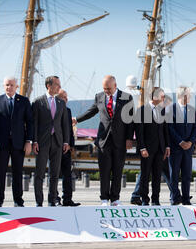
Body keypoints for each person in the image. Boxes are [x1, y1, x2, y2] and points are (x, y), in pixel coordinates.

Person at [74, 75, 134, 206]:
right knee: (104, 171)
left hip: (120, 140)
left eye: (108, 88)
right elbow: (91, 112)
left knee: (117, 171)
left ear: (115, 86)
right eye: (104, 88)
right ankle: (104, 199)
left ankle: (115, 199)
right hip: (103, 140)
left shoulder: (126, 97)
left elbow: (130, 120)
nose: (106, 91)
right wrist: (77, 119)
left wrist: (129, 139)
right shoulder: (99, 96)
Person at [0, 77, 33, 207]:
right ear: (4, 86)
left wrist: (29, 141)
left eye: (12, 85)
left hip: (19, 144)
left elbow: (30, 122)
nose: (9, 87)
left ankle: (18, 201)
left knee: (18, 172)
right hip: (0, 144)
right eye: (7, 85)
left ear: (16, 86)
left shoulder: (24, 101)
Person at [32, 76, 70, 207]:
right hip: (42, 142)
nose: (59, 87)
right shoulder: (37, 102)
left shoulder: (61, 103)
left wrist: (66, 142)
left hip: (58, 142)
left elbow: (65, 124)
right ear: (49, 85)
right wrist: (34, 141)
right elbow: (34, 124)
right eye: (57, 84)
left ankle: (52, 200)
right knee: (40, 173)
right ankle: (39, 202)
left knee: (55, 174)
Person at [130, 95, 172, 206]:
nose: (163, 98)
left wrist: (167, 146)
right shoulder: (142, 110)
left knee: (157, 176)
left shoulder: (162, 111)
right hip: (147, 149)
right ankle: (144, 199)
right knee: (145, 175)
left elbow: (165, 130)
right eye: (161, 96)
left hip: (160, 149)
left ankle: (155, 199)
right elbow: (139, 131)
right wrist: (142, 148)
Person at [167, 86, 196, 205]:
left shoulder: (191, 109)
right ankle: (174, 198)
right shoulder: (171, 109)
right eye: (186, 95)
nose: (188, 98)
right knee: (173, 175)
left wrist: (190, 142)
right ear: (180, 96)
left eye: (189, 96)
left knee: (187, 175)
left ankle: (186, 198)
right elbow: (170, 128)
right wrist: (180, 142)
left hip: (188, 149)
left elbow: (195, 127)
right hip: (175, 148)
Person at [55, 89, 80, 206]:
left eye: (66, 97)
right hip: (54, 147)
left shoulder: (68, 111)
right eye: (63, 97)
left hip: (67, 148)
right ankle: (55, 198)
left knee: (68, 174)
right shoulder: (53, 110)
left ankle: (67, 199)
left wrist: (71, 145)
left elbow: (70, 130)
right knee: (54, 174)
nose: (66, 99)